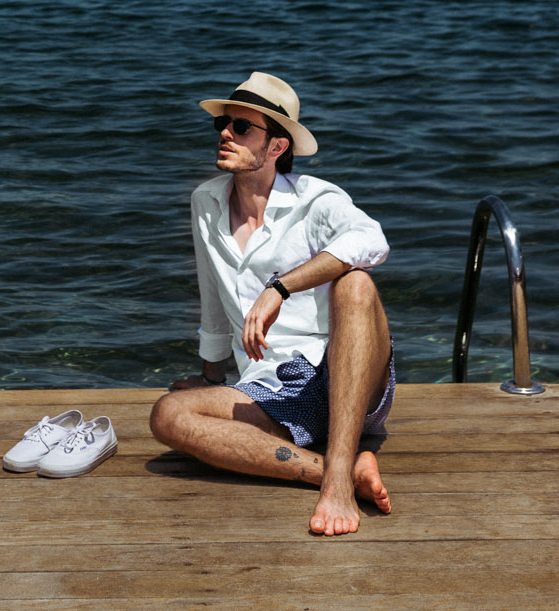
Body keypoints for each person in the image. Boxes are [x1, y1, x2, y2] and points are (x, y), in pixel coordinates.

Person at [149, 71, 394, 537]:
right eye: (223, 124)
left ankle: (337, 482)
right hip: (274, 389)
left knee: (357, 284)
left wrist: (279, 288)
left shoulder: (315, 199)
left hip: (347, 376)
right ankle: (337, 471)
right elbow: (213, 300)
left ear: (277, 146)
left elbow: (372, 240)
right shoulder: (207, 201)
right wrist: (211, 378)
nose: (225, 133)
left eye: (242, 127)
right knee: (169, 415)